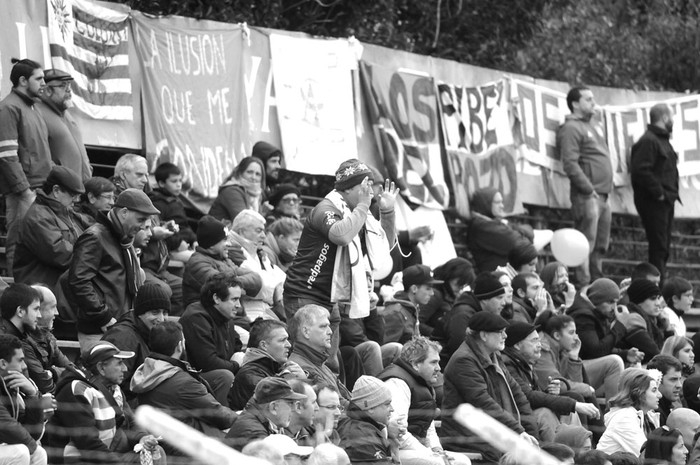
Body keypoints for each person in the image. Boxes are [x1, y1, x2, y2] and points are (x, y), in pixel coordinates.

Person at [284, 159, 398, 373]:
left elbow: (384, 248)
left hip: (330, 299)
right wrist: (364, 205)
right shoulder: (326, 208)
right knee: (311, 364)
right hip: (305, 295)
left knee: (331, 364)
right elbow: (341, 235)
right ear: (348, 188)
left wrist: (389, 212)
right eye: (365, 186)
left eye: (371, 186)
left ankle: (333, 405)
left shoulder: (357, 212)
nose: (370, 192)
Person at [68, 189, 160, 353]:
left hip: (121, 327)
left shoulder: (123, 239)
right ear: (124, 213)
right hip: (100, 329)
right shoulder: (95, 237)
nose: (143, 226)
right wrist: (103, 316)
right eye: (140, 219)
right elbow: (79, 281)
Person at [439, 312, 539, 462]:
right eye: (500, 332)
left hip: (490, 432)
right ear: (484, 335)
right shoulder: (463, 361)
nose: (505, 336)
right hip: (468, 437)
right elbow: (483, 402)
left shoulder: (494, 355)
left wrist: (530, 431)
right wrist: (517, 431)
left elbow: (517, 393)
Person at [53, 342, 164, 464]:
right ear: (101, 368)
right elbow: (88, 445)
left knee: (157, 452)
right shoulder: (76, 390)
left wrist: (142, 437)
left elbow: (130, 422)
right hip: (80, 460)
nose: (125, 369)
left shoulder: (114, 389)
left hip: (108, 455)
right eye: (119, 363)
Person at [130, 321, 237, 445]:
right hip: (189, 444)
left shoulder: (146, 371)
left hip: (166, 439)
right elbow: (219, 415)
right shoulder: (183, 383)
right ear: (180, 346)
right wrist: (242, 418)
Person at [379, 336, 470, 465]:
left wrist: (437, 449)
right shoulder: (397, 383)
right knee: (439, 463)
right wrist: (429, 454)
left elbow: (429, 426)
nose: (439, 368)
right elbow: (400, 434)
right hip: (392, 449)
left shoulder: (422, 381)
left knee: (462, 461)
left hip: (413, 448)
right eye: (433, 362)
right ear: (416, 364)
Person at [502, 321, 599, 442]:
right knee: (546, 412)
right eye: (534, 341)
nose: (539, 345)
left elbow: (532, 393)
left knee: (570, 410)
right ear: (517, 345)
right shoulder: (508, 364)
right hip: (517, 419)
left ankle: (582, 450)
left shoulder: (524, 362)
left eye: (539, 340)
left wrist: (549, 391)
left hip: (528, 413)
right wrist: (574, 404)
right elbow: (528, 396)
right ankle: (558, 456)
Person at [558, 86, 613, 285]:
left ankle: (598, 285)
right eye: (588, 99)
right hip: (588, 195)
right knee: (585, 244)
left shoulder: (593, 125)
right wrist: (589, 188)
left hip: (603, 194)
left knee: (600, 245)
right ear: (575, 104)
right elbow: (570, 164)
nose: (593, 102)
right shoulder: (571, 128)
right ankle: (584, 286)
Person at [0, 58, 51, 275]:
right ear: (22, 80)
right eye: (39, 78)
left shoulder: (34, 107)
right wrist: (24, 191)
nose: (44, 83)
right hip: (24, 192)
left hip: (40, 189)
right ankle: (15, 298)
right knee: (19, 244)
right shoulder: (8, 108)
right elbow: (7, 156)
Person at [13, 166, 90, 288]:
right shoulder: (38, 217)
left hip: (57, 291)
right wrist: (94, 255)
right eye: (73, 195)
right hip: (41, 294)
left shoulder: (65, 212)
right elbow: (62, 255)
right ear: (56, 190)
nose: (76, 200)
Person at [180, 272, 246, 406]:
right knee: (224, 376)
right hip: (192, 379)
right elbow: (208, 363)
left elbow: (237, 349)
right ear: (216, 298)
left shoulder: (226, 318)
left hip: (215, 374)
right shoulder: (196, 318)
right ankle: (223, 422)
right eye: (234, 299)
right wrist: (237, 364)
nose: (239, 305)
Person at [630, 104, 679, 282]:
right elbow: (640, 170)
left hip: (665, 202)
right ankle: (656, 289)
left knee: (663, 247)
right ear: (665, 118)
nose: (672, 121)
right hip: (655, 202)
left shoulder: (661, 141)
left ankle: (659, 286)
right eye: (671, 117)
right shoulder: (649, 141)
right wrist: (659, 193)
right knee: (658, 248)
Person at [567, 278, 639, 395]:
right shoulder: (583, 315)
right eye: (610, 302)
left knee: (633, 365)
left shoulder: (596, 312)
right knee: (614, 362)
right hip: (573, 372)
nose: (614, 307)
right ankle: (615, 410)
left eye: (616, 302)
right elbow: (595, 351)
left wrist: (625, 354)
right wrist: (619, 326)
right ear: (596, 300)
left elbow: (599, 347)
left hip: (584, 368)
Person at [101, 282, 169, 398]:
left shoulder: (149, 334)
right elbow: (113, 385)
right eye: (155, 312)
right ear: (140, 313)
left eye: (165, 312)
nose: (161, 318)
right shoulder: (124, 337)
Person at [182, 215, 262, 307]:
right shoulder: (197, 263)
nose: (229, 244)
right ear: (211, 244)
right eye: (225, 240)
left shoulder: (224, 260)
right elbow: (221, 287)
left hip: (230, 315)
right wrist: (238, 284)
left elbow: (256, 278)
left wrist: (235, 283)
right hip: (207, 317)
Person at [230, 319, 306, 411]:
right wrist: (301, 383)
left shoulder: (273, 368)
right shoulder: (250, 375)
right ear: (264, 345)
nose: (289, 345)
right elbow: (279, 409)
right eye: (282, 340)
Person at [434, 271, 506, 366]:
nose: (504, 303)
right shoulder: (463, 315)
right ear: (485, 299)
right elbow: (458, 347)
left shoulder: (479, 313)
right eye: (499, 298)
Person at [229, 209, 286, 321]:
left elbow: (283, 279)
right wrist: (273, 285)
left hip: (265, 309)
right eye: (258, 231)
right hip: (246, 312)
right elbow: (261, 286)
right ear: (241, 231)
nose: (264, 236)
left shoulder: (258, 251)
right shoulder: (231, 249)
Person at [36, 69, 91, 182]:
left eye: (69, 85)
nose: (69, 90)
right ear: (47, 90)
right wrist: (61, 180)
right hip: (60, 191)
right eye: (62, 86)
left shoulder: (66, 114)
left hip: (80, 188)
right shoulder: (38, 114)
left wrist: (88, 170)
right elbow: (39, 157)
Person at [0, 334, 47, 465]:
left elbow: (33, 433)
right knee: (21, 452)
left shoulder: (9, 386)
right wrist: (32, 446)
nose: (24, 366)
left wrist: (33, 394)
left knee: (38, 453)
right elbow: (6, 425)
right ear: (3, 363)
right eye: (20, 360)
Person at [225, 377, 307, 450]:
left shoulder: (260, 424)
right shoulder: (256, 435)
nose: (293, 409)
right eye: (290, 404)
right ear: (274, 407)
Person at [288, 304, 351, 399]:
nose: (330, 331)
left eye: (329, 326)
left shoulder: (321, 364)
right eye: (323, 326)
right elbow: (337, 407)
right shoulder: (301, 368)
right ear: (306, 332)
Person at [466, 187, 534, 273]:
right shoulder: (482, 226)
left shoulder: (492, 222)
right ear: (486, 203)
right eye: (497, 202)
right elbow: (522, 246)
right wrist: (520, 232)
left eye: (501, 202)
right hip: (497, 280)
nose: (502, 206)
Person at [597, 368, 662, 457]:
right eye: (654, 390)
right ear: (640, 393)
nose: (660, 395)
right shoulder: (624, 418)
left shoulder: (649, 416)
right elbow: (648, 456)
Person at [337, 375, 401, 465]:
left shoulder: (361, 427)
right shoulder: (363, 436)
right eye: (387, 404)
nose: (392, 409)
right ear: (370, 407)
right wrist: (394, 447)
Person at [24, 285, 72, 394]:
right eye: (53, 307)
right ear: (37, 309)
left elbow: (73, 371)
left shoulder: (48, 337)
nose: (57, 313)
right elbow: (45, 387)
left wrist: (52, 372)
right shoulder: (22, 341)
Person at [383, 264, 442, 344]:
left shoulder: (411, 309)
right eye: (428, 289)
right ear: (414, 288)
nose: (432, 293)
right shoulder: (396, 313)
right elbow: (390, 351)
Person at [419, 257, 475, 337]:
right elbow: (417, 322)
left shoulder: (451, 295)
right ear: (449, 276)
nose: (460, 289)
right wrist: (440, 335)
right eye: (458, 285)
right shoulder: (435, 295)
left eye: (462, 286)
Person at [210, 156, 266, 223]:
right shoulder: (232, 191)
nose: (253, 177)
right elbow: (245, 222)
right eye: (249, 172)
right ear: (240, 173)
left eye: (258, 174)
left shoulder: (257, 195)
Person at [622, 279, 666, 362]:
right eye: (653, 299)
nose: (658, 303)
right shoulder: (632, 319)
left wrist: (668, 328)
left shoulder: (653, 321)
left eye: (658, 298)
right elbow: (654, 352)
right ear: (639, 301)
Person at [647, 355, 683, 426]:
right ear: (657, 380)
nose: (679, 385)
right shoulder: (651, 412)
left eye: (680, 379)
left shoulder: (665, 406)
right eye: (673, 379)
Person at [285, 380, 318, 446]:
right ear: (298, 407)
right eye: (313, 402)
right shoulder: (272, 438)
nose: (317, 408)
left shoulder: (313, 433)